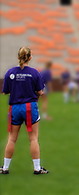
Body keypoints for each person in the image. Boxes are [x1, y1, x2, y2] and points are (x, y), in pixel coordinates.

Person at [0, 46, 49, 174]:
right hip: (29, 107)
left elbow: (5, 91)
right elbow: (40, 92)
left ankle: (5, 168)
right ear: (30, 57)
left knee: (11, 138)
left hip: (15, 107)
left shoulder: (10, 72)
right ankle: (37, 168)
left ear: (18, 57)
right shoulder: (34, 72)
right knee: (33, 138)